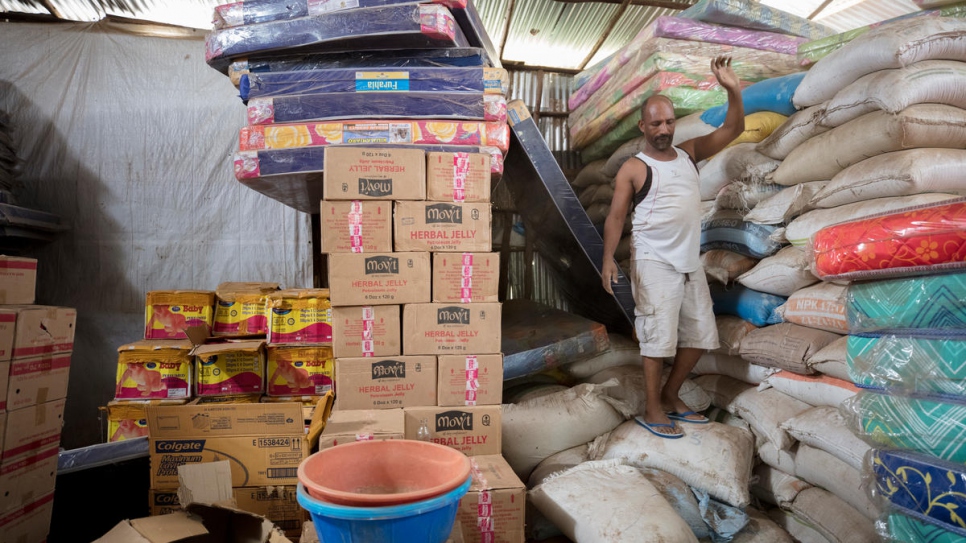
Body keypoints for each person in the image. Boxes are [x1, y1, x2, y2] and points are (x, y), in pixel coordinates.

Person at [600, 56, 744, 439]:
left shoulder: (689, 153)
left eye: (669, 122)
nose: (664, 129)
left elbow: (733, 129)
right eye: (656, 123)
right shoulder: (634, 167)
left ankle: (670, 394)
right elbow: (615, 217)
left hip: (687, 260)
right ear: (643, 126)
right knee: (657, 339)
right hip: (652, 260)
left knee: (700, 335)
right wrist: (608, 260)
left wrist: (732, 90)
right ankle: (652, 409)